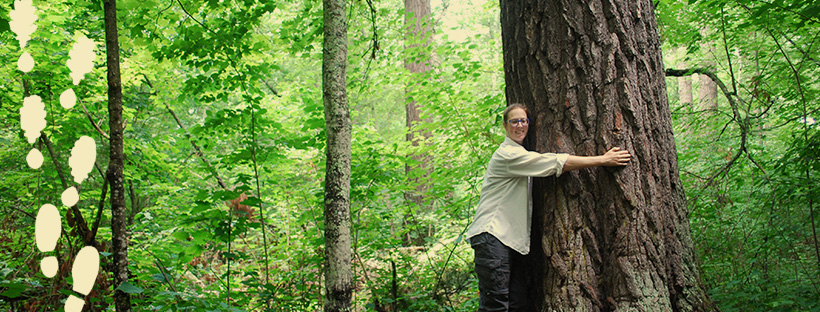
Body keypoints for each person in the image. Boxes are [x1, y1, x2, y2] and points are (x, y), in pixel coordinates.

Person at [465, 103, 631, 311]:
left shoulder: (518, 152)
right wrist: (602, 160)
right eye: (514, 121)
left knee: (517, 304)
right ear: (505, 126)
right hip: (493, 236)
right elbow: (552, 162)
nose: (520, 125)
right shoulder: (507, 155)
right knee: (495, 305)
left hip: (508, 241)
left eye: (524, 121)